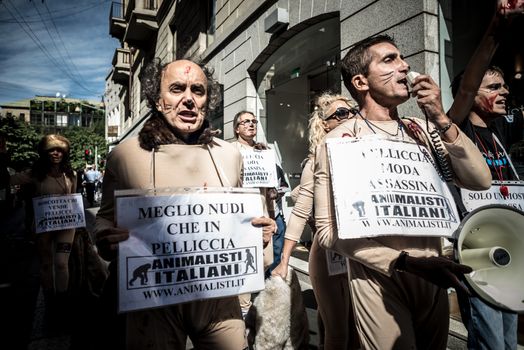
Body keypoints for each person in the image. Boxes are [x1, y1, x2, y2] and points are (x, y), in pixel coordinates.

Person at [313, 34, 492, 349]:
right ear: (360, 82)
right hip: (379, 278)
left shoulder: (419, 129)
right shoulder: (339, 140)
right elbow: (327, 231)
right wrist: (402, 262)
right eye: (389, 59)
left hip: (433, 275)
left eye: (401, 58)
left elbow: (480, 180)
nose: (405, 66)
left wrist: (439, 117)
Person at [94, 58, 276, 350]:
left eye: (198, 90)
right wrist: (105, 238)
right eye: (177, 89)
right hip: (154, 300)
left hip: (218, 296)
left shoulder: (230, 154)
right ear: (157, 98)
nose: (189, 99)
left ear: (208, 100)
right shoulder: (125, 155)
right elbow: (104, 218)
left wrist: (263, 228)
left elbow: (247, 215)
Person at [448, 6, 522, 349]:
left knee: (508, 340)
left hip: (508, 246)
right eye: (494, 85)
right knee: (491, 342)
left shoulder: (500, 132)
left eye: (505, 84)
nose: (505, 90)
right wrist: (497, 26)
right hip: (476, 250)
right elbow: (465, 90)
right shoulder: (457, 128)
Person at [272, 92, 360, 350]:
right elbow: (300, 212)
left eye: (351, 111)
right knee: (338, 332)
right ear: (325, 124)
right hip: (328, 253)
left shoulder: (366, 156)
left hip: (361, 253)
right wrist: (285, 260)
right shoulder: (315, 162)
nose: (349, 117)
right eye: (341, 114)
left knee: (356, 328)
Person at [9, 134, 77, 331]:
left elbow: (74, 198)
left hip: (66, 225)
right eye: (51, 150)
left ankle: (61, 305)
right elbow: (10, 179)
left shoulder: (71, 174)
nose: (56, 153)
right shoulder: (34, 174)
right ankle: (50, 307)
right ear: (44, 153)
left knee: (62, 264)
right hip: (43, 226)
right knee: (47, 265)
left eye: (60, 150)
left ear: (65, 153)